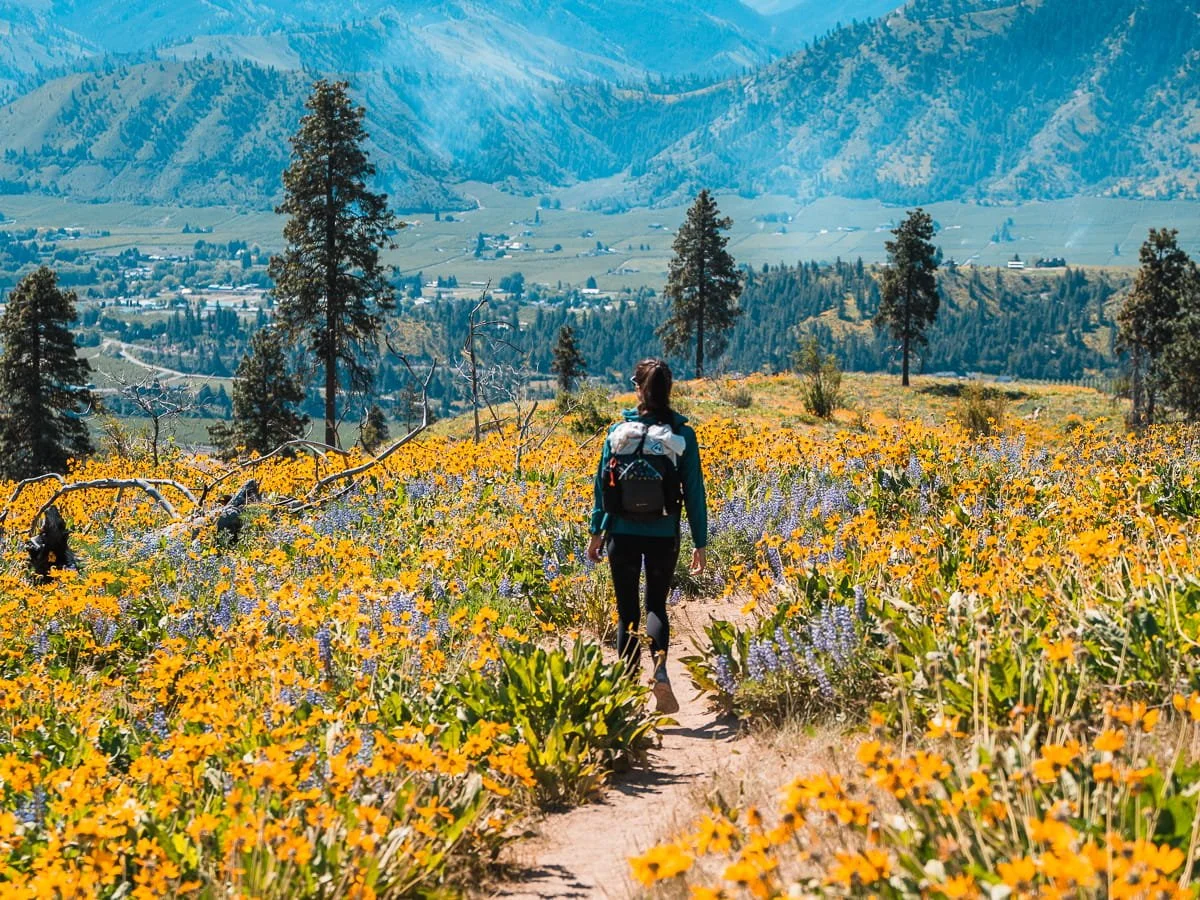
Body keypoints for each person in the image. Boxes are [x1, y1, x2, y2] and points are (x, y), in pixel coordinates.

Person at [586, 358, 707, 714]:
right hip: (662, 533)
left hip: (620, 534)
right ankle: (660, 673)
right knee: (656, 606)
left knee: (627, 614)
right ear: (669, 390)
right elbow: (695, 492)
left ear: (637, 388)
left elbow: (601, 487)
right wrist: (701, 542)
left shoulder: (619, 433)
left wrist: (596, 532)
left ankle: (625, 688)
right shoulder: (681, 435)